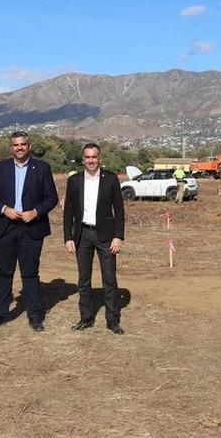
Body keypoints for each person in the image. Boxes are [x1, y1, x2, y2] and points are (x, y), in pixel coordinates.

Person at [0, 131, 59, 332]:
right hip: (4, 228)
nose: (19, 148)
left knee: (30, 274)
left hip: (31, 229)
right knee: (3, 273)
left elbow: (52, 198)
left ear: (29, 146)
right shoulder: (1, 168)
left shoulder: (42, 168)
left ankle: (35, 316)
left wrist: (36, 212)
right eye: (15, 145)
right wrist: (4, 209)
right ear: (11, 148)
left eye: (23, 144)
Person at [63, 143, 126, 335]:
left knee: (109, 279)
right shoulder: (74, 181)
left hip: (106, 236)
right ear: (83, 159)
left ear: (100, 158)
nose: (91, 160)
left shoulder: (111, 179)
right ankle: (86, 317)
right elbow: (69, 212)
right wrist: (68, 237)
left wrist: (118, 236)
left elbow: (120, 210)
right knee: (83, 279)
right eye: (87, 157)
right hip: (82, 235)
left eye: (94, 157)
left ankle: (112, 320)